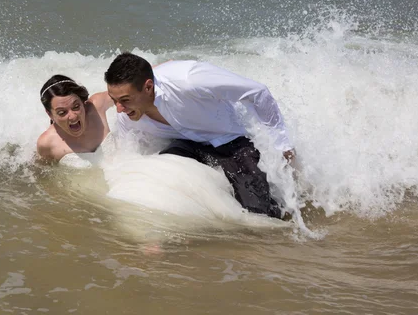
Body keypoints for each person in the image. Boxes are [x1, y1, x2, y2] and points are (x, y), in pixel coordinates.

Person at [104, 53, 295, 218]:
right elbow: (126, 153)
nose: (119, 109)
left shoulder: (188, 79)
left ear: (147, 87)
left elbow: (257, 92)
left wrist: (283, 146)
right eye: (114, 101)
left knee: (259, 214)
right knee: (157, 175)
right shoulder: (127, 116)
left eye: (125, 100)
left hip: (232, 141)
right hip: (187, 145)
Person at [37, 75, 113, 162]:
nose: (73, 116)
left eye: (76, 107)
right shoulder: (47, 143)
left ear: (82, 101)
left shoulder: (97, 107)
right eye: (62, 112)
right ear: (50, 114)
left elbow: (125, 92)